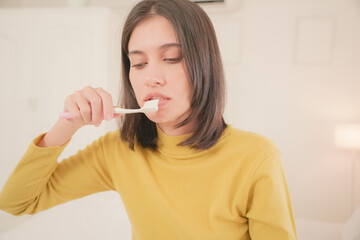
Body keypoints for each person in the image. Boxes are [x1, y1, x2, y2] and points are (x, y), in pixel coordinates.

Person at [0, 0, 297, 239]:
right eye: (139, 63)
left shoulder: (256, 157)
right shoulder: (119, 150)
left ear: (204, 64)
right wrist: (67, 124)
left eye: (171, 58)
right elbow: (17, 201)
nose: (150, 78)